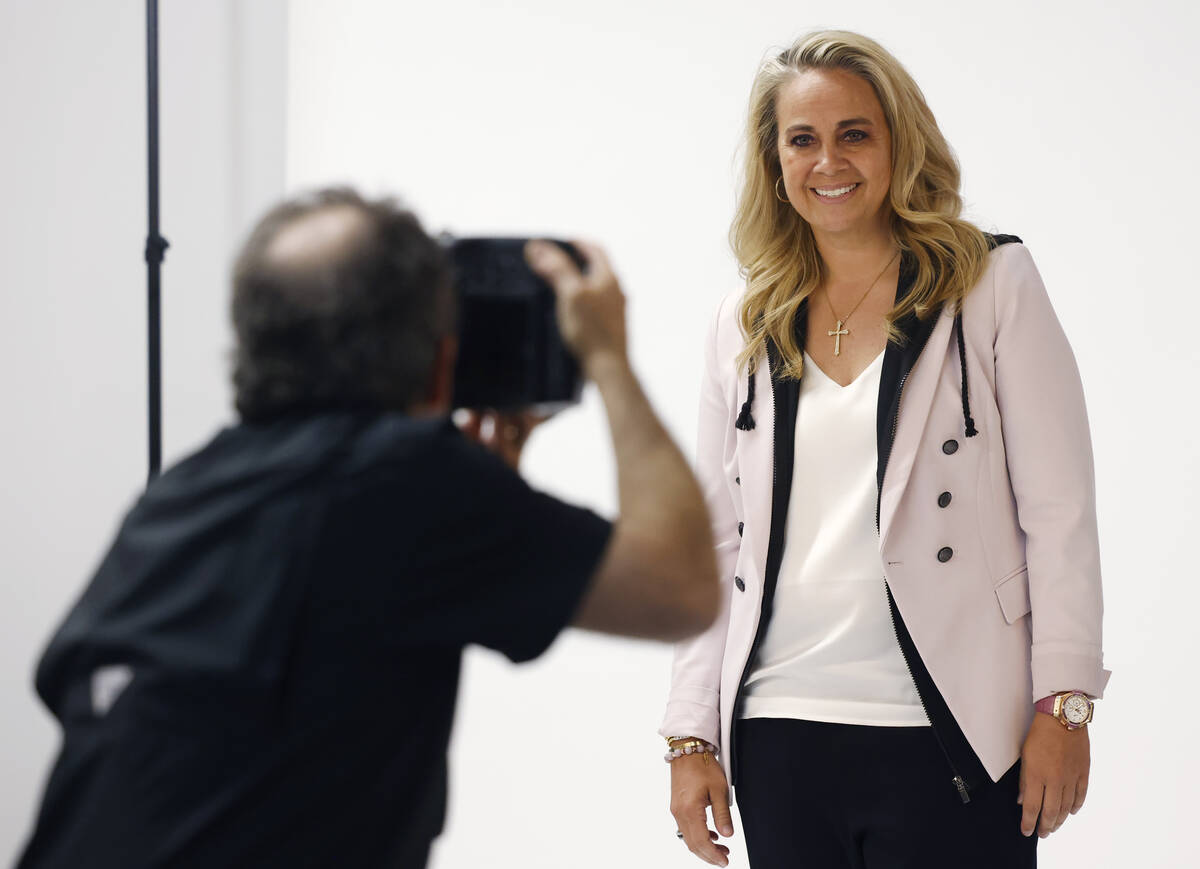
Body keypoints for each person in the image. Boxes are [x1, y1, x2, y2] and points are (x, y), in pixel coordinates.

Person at [17, 188, 719, 868]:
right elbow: (680, 588)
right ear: (439, 358)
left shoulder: (182, 490)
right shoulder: (407, 479)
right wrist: (607, 359)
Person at [660, 30, 1110, 868]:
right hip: (779, 730)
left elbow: (1061, 511)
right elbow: (713, 540)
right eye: (803, 139)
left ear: (900, 143)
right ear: (775, 161)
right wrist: (689, 733)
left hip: (952, 730)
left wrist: (1065, 704)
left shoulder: (989, 284)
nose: (829, 161)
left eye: (854, 133)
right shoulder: (744, 321)